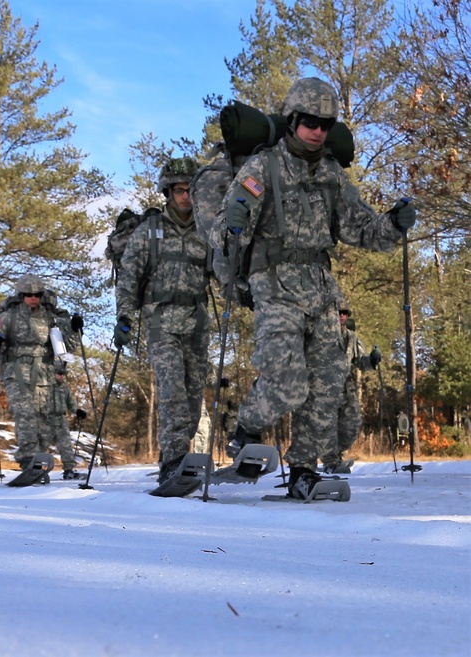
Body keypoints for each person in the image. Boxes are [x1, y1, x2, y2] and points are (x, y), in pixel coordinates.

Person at [211, 77, 415, 498]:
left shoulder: (332, 175)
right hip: (275, 285)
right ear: (292, 120)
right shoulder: (262, 166)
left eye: (325, 123)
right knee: (288, 381)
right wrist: (232, 222)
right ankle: (247, 426)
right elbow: (224, 232)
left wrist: (393, 224)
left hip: (321, 290)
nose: (317, 130)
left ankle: (303, 469)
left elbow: (361, 228)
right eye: (309, 121)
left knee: (327, 383)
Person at [114, 156, 213, 483]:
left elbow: (224, 272)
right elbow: (128, 277)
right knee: (172, 393)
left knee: (194, 399)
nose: (186, 196)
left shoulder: (207, 231)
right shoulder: (149, 232)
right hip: (161, 323)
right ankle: (173, 464)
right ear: (168, 192)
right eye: (180, 190)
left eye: (191, 190)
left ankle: (182, 456)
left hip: (197, 325)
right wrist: (124, 318)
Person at [0, 274, 81, 472]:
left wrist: (74, 329)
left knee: (44, 418)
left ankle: (39, 455)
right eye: (28, 294)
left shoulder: (51, 318)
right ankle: (28, 458)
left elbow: (65, 347)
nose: (33, 298)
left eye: (37, 294)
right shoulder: (7, 316)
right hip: (16, 369)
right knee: (24, 413)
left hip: (44, 372)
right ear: (21, 295)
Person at [323, 303, 381, 474]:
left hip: (345, 386)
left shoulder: (351, 338)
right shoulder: (321, 335)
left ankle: (335, 455)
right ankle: (330, 461)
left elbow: (360, 361)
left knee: (352, 423)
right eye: (339, 313)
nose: (342, 316)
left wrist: (372, 360)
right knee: (326, 425)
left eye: (345, 313)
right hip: (323, 386)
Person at [43, 360, 87, 479]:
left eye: (63, 373)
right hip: (46, 418)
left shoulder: (64, 388)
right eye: (59, 373)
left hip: (61, 419)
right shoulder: (44, 385)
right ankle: (34, 469)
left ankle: (69, 470)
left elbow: (71, 403)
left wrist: (78, 411)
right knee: (41, 444)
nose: (62, 376)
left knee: (66, 444)